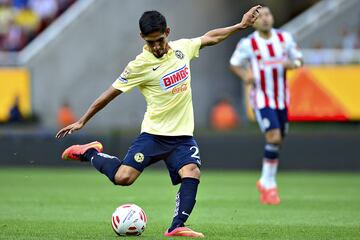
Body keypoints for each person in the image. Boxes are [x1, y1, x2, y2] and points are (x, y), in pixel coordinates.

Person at [56, 5, 261, 237]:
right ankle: (90, 152)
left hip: (182, 137)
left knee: (191, 171)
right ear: (142, 38)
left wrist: (240, 26)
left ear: (168, 32)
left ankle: (176, 226)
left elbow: (209, 37)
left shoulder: (183, 48)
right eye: (151, 42)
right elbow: (109, 93)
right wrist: (83, 121)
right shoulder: (138, 66)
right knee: (123, 178)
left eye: (160, 40)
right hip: (154, 135)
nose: (156, 47)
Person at [229, 6, 303, 205]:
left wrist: (292, 64)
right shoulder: (248, 44)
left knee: (277, 140)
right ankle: (268, 183)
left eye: (267, 14)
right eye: (259, 16)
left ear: (272, 17)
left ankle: (265, 180)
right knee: (274, 136)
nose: (264, 19)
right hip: (261, 99)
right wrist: (246, 75)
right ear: (253, 22)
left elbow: (298, 59)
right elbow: (234, 63)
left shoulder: (284, 38)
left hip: (281, 99)